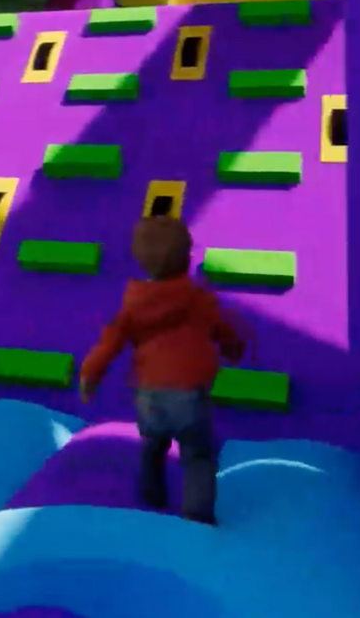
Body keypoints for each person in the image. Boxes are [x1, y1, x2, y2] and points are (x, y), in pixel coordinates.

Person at [77, 216, 246, 526]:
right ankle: (196, 515)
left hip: (149, 394)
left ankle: (151, 491)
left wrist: (90, 375)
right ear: (187, 257)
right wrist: (234, 349)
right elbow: (222, 330)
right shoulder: (198, 298)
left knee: (153, 444)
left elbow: (110, 342)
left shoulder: (134, 304)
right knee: (198, 455)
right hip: (188, 394)